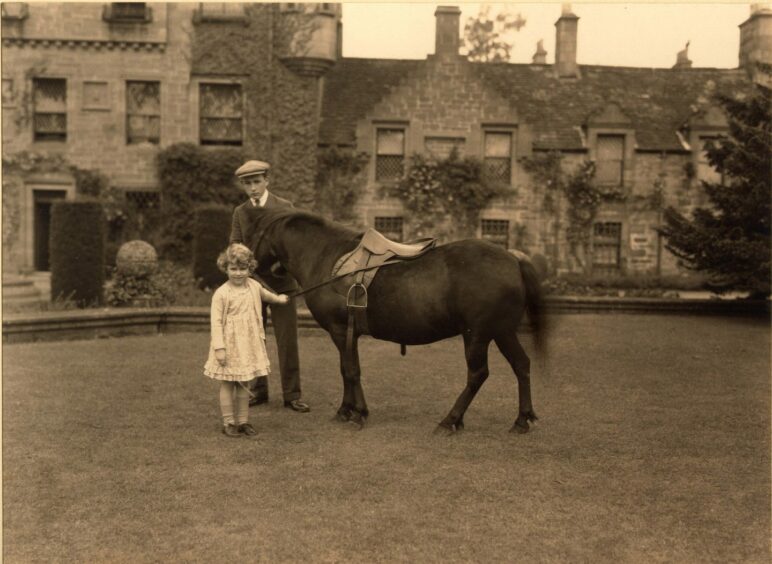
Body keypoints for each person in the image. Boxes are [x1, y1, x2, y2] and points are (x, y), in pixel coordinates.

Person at [230, 159, 310, 413]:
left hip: (282, 286)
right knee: (255, 339)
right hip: (251, 287)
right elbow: (235, 247)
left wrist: (284, 268)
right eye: (247, 184)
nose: (253, 188)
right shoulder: (240, 213)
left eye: (256, 182)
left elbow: (295, 247)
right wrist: (243, 274)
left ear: (266, 181)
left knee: (287, 341)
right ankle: (259, 390)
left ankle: (292, 394)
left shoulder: (284, 208)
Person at [203, 243, 291, 437]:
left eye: (243, 269)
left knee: (244, 382)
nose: (238, 273)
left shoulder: (254, 286)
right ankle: (228, 423)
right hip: (229, 345)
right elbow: (216, 323)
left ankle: (243, 421)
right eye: (233, 269)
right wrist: (219, 348)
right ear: (225, 268)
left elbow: (267, 295)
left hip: (248, 344)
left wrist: (280, 300)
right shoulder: (221, 294)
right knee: (228, 383)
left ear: (250, 268)